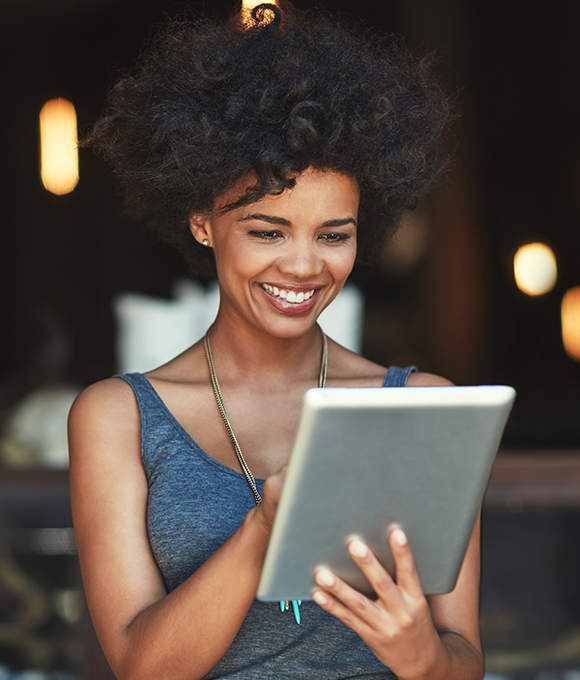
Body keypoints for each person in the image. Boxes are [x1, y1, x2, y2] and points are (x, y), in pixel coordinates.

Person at [68, 4, 483, 679]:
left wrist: (422, 657)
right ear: (203, 221)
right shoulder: (119, 418)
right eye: (268, 231)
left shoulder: (418, 406)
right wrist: (265, 530)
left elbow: (463, 660)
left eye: (333, 234)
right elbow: (142, 666)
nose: (302, 266)